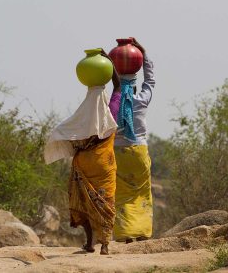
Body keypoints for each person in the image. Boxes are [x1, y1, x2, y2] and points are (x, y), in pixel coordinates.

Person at [44, 50, 120, 255]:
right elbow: (119, 86)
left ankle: (89, 243)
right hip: (104, 164)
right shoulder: (111, 111)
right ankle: (104, 244)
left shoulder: (81, 116)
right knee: (106, 202)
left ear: (88, 94)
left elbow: (61, 130)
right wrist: (109, 61)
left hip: (83, 165)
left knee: (84, 202)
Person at [112, 38, 155, 243]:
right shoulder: (142, 99)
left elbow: (111, 85)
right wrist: (143, 53)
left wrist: (108, 63)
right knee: (141, 191)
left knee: (121, 193)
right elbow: (150, 81)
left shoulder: (112, 101)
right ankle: (142, 233)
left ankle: (125, 235)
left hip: (117, 151)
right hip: (139, 149)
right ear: (135, 87)